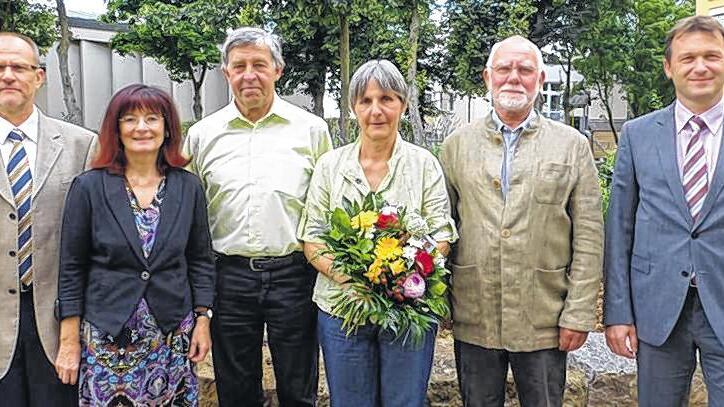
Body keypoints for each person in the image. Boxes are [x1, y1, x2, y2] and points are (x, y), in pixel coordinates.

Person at [439, 35, 603, 407]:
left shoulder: (572, 146)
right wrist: (442, 304)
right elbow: (443, 228)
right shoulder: (456, 146)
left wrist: (578, 313)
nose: (514, 77)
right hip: (474, 310)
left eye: (525, 70)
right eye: (504, 68)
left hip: (543, 315)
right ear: (487, 77)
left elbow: (590, 238)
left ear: (540, 80)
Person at [183, 27, 332, 407]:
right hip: (228, 277)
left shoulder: (311, 131)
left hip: (294, 275)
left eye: (259, 65)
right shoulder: (203, 135)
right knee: (235, 386)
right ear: (226, 73)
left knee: (298, 385)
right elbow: (190, 213)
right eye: (240, 66)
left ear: (278, 70)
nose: (250, 74)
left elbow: (328, 203)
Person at [299, 59, 457, 407]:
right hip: (343, 313)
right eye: (365, 101)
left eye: (386, 99)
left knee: (404, 401)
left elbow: (442, 234)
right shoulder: (331, 166)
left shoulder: (423, 164)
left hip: (409, 308)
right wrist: (357, 282)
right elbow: (311, 240)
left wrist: (400, 278)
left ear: (402, 103)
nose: (376, 110)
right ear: (353, 107)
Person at [54, 84, 215, 406]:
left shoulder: (188, 186)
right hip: (107, 335)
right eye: (130, 119)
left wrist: (203, 319)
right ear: (116, 129)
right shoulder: (89, 187)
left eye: (152, 118)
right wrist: (69, 340)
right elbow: (72, 266)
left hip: (171, 334)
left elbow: (200, 259)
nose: (141, 127)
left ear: (167, 127)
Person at [605, 15, 724, 406]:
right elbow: (619, 227)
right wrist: (618, 312)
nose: (701, 66)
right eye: (688, 58)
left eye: (712, 56)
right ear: (669, 67)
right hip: (657, 309)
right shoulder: (638, 135)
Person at [0, 32, 96, 406]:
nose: (8, 75)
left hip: (57, 322)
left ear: (39, 77)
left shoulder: (80, 145)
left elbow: (91, 243)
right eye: (0, 67)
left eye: (19, 67)